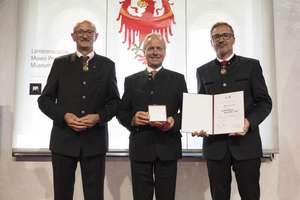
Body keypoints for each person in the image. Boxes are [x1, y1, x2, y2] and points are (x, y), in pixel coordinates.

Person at [38, 20, 120, 200]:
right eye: (80, 31)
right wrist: (64, 115)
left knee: (94, 195)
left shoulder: (108, 65)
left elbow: (114, 102)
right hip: (63, 141)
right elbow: (44, 100)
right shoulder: (60, 64)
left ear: (96, 36)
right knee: (62, 194)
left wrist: (98, 117)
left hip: (95, 142)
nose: (85, 35)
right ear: (73, 36)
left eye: (89, 32)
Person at [193, 22, 272, 200]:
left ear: (233, 39)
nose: (221, 39)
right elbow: (202, 106)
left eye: (225, 35)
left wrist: (248, 122)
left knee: (250, 195)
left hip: (246, 145)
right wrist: (199, 124)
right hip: (215, 147)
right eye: (216, 37)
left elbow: (264, 102)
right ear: (211, 42)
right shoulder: (202, 71)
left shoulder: (251, 66)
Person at [117, 33, 187, 200]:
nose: (155, 52)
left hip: (168, 147)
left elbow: (188, 112)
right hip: (140, 147)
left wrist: (173, 121)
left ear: (164, 51)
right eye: (150, 48)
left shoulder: (178, 79)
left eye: (159, 48)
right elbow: (121, 112)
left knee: (167, 196)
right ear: (144, 52)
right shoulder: (131, 80)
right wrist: (132, 119)